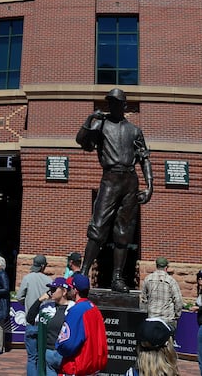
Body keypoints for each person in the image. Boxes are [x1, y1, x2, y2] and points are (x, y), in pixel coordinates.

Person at [75, 88, 154, 292]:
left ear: (124, 105)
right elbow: (82, 141)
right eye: (110, 102)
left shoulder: (135, 130)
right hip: (110, 179)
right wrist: (90, 119)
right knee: (98, 226)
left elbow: (144, 158)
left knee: (123, 232)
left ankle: (117, 278)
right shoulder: (100, 125)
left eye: (116, 102)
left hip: (130, 180)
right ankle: (83, 273)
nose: (112, 105)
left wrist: (150, 186)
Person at [55, 273, 108, 376]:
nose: (68, 290)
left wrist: (58, 345)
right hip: (92, 369)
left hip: (77, 368)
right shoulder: (93, 308)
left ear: (75, 291)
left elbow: (67, 345)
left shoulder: (77, 310)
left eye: (70, 288)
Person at [27, 277, 71, 376]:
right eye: (50, 289)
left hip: (64, 354)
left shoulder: (73, 307)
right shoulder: (47, 307)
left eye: (54, 289)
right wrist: (39, 300)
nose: (51, 292)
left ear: (64, 292)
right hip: (49, 353)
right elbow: (30, 318)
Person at [19, 254, 53, 376]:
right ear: (44, 266)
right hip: (44, 323)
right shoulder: (49, 281)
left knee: (32, 358)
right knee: (42, 356)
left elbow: (19, 297)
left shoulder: (27, 278)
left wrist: (27, 303)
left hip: (31, 322)